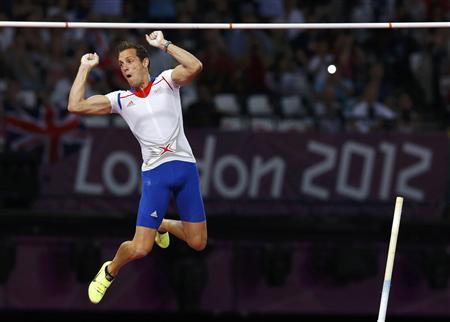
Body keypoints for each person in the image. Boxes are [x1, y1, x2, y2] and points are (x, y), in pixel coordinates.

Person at [67, 31, 207, 304]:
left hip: (185, 169)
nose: (125, 67)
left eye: (130, 61)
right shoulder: (120, 100)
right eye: (121, 64)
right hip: (156, 175)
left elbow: (195, 66)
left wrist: (164, 44)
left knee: (198, 242)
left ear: (145, 63)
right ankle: (110, 270)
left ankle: (162, 224)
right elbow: (75, 105)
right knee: (141, 248)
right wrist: (84, 67)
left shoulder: (167, 81)